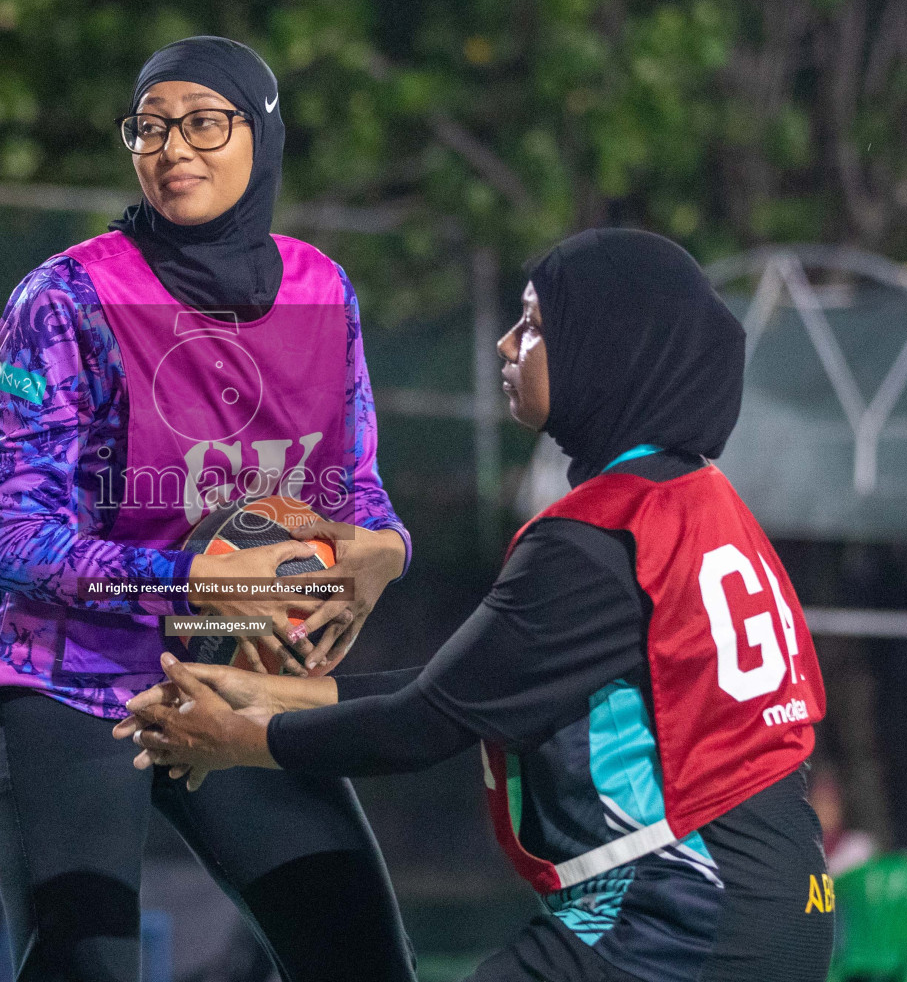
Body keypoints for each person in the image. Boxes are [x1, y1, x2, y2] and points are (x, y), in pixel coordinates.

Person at [123, 228, 835, 982]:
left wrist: (239, 739)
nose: (505, 343)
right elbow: (467, 688)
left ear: (606, 346)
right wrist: (271, 693)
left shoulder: (594, 539)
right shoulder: (695, 505)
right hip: (776, 890)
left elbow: (426, 726)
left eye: (532, 324)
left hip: (681, 902)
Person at [0, 37, 416, 981]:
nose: (173, 147)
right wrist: (185, 573)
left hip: (234, 671)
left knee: (362, 963)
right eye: (151, 127)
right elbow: (11, 535)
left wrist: (386, 547)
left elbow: (354, 490)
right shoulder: (67, 298)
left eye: (205, 122)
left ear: (261, 135)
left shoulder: (322, 292)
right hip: (74, 682)